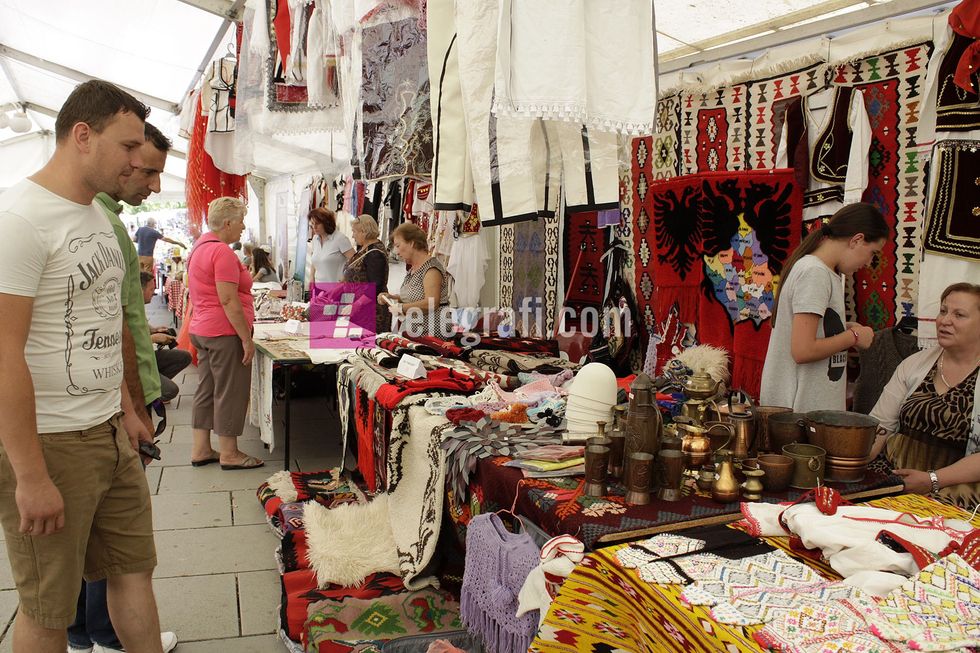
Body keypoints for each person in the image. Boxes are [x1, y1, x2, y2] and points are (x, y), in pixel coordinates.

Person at [0, 79, 166, 653]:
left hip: (108, 431)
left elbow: (106, 316)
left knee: (132, 570)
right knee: (48, 606)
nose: (138, 159)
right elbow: (3, 356)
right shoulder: (19, 220)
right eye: (127, 147)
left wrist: (128, 409)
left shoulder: (96, 215)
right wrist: (29, 475)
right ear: (81, 135)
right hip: (50, 441)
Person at [70, 123, 179, 653]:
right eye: (146, 164)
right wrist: (134, 406)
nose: (153, 183)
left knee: (95, 545)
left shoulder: (101, 222)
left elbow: (117, 323)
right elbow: (115, 330)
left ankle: (90, 632)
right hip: (95, 415)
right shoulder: (101, 226)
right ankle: (105, 633)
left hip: (101, 408)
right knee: (114, 549)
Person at [759, 203, 888, 412]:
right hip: (799, 415)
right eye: (873, 252)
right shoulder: (815, 273)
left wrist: (842, 328)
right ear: (857, 240)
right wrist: (854, 336)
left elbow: (807, 332)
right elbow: (803, 350)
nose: (869, 262)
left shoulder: (821, 271)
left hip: (804, 414)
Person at [869, 283, 980, 507]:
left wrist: (932, 480)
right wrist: (851, 465)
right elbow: (879, 426)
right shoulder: (915, 364)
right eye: (943, 311)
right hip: (894, 479)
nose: (944, 320)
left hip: (955, 495)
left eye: (959, 315)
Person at [187, 197, 263, 470]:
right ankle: (229, 453)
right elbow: (228, 300)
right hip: (223, 331)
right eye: (241, 221)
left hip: (203, 329)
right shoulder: (222, 253)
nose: (243, 227)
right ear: (228, 223)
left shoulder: (199, 247)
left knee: (207, 389)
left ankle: (201, 448)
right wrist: (246, 338)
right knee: (231, 391)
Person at [378, 222, 452, 337]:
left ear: (411, 243)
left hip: (430, 335)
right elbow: (414, 296)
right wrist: (392, 298)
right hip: (414, 332)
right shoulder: (413, 269)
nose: (396, 252)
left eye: (398, 246)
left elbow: (431, 303)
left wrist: (401, 308)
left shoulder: (431, 269)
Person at [142, 272, 192, 404]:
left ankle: (153, 387)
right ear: (141, 289)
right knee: (171, 391)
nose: (153, 293)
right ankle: (146, 395)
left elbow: (143, 328)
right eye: (151, 289)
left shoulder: (138, 308)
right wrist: (153, 338)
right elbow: (129, 343)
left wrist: (155, 330)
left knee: (184, 357)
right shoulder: (128, 310)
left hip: (146, 357)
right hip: (137, 363)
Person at [343, 214, 391, 334]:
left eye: (354, 232)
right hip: (359, 309)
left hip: (371, 311)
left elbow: (375, 286)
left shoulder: (375, 253)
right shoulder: (365, 248)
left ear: (364, 232)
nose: (353, 236)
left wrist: (356, 305)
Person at [308, 207, 353, 288]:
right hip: (318, 288)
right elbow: (314, 260)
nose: (314, 227)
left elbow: (355, 262)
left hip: (336, 290)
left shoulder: (340, 238)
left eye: (317, 224)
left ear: (326, 223)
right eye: (312, 224)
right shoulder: (315, 238)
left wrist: (344, 279)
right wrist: (311, 278)